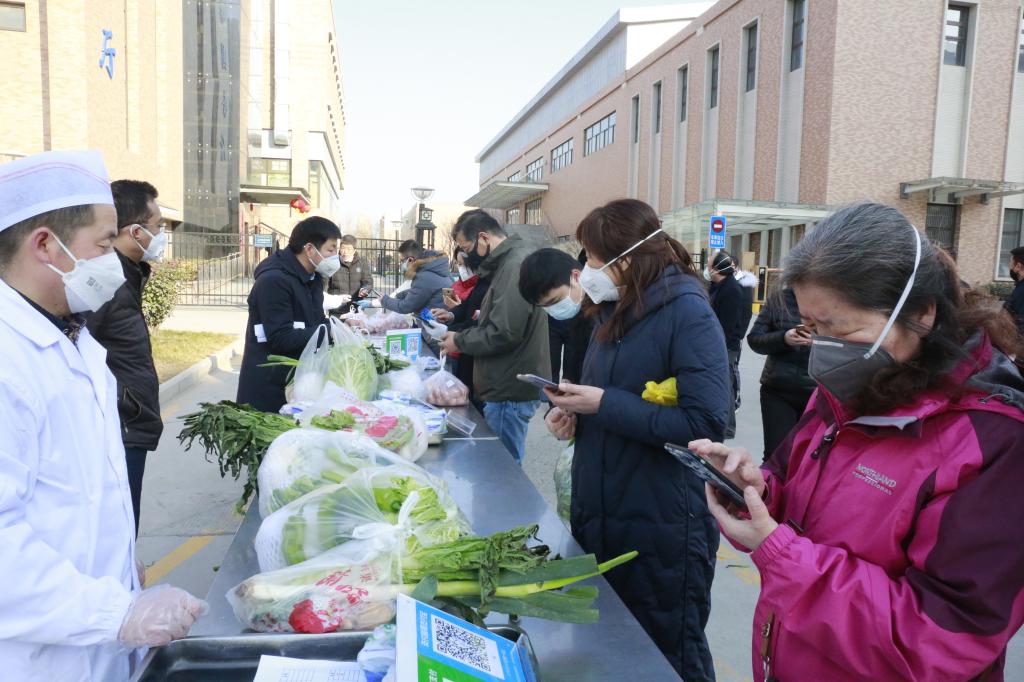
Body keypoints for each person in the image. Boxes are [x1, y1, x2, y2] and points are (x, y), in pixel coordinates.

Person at [691, 202, 1024, 682]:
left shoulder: (993, 440)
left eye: (839, 328)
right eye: (813, 326)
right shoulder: (849, 388)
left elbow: (944, 638)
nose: (822, 345)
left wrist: (782, 555)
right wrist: (756, 491)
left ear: (921, 313)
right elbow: (800, 495)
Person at [0, 151, 205, 679]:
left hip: (98, 643)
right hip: (37, 659)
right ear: (45, 245)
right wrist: (115, 612)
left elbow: (83, 486)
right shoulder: (8, 362)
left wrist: (118, 559)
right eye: (103, 243)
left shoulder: (75, 337)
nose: (113, 258)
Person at [545, 199, 730, 680]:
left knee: (667, 655)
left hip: (661, 524)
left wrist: (604, 405)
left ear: (628, 258)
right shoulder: (613, 311)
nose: (586, 269)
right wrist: (574, 416)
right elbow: (611, 400)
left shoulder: (687, 312)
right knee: (610, 650)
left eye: (592, 257)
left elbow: (705, 423)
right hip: (602, 510)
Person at [86, 179, 166, 536]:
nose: (160, 236)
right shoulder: (103, 281)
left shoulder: (127, 274)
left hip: (129, 422)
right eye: (157, 227)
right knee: (118, 530)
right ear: (135, 231)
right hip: (119, 426)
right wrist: (122, 402)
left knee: (125, 524)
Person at [439, 210, 549, 462]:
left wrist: (459, 340)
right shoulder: (507, 264)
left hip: (509, 385)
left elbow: (504, 332)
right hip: (506, 381)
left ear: (484, 238)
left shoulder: (514, 266)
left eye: (467, 248)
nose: (466, 256)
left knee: (501, 467)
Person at [237, 216, 342, 413]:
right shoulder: (273, 281)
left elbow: (316, 322)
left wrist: (338, 326)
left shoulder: (314, 279)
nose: (336, 257)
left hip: (299, 382)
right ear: (309, 249)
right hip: (271, 388)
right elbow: (281, 337)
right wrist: (330, 330)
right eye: (331, 250)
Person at [746, 287, 816, 459]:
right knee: (776, 456)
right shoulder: (779, 299)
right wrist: (783, 338)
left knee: (809, 458)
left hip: (818, 393)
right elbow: (755, 339)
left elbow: (848, 345)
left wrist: (819, 342)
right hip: (778, 389)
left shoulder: (835, 299)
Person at [517, 247, 594, 384]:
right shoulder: (578, 307)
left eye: (555, 301)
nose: (554, 310)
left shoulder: (608, 305)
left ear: (576, 277)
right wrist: (570, 377)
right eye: (545, 306)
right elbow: (577, 349)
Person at [431, 250, 490, 409]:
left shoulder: (489, 283)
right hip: (463, 346)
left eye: (463, 264)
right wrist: (450, 315)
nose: (460, 268)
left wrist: (451, 331)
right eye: (458, 264)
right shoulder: (477, 282)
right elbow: (466, 308)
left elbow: (478, 321)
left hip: (474, 350)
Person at [708, 251, 746, 438]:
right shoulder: (717, 286)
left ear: (717, 269)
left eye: (709, 265)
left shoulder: (731, 290)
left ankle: (728, 427)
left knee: (725, 382)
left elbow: (728, 325)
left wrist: (717, 346)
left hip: (726, 345)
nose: (707, 269)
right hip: (717, 342)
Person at [361, 240, 448, 314]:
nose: (401, 264)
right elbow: (418, 292)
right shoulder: (435, 268)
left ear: (410, 260)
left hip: (434, 325)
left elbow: (406, 307)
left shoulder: (423, 277)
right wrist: (398, 296)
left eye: (402, 260)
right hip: (438, 321)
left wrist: (384, 300)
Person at [325, 234, 372, 314]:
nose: (345, 252)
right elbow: (325, 285)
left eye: (349, 249)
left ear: (354, 250)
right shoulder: (332, 263)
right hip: (336, 309)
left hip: (356, 308)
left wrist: (365, 289)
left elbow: (368, 282)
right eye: (343, 248)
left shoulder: (362, 263)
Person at [1007, 245, 1024, 333]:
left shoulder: (1021, 290)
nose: (1009, 267)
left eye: (1010, 263)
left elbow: (1021, 324)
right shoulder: (1020, 286)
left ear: (1018, 266)